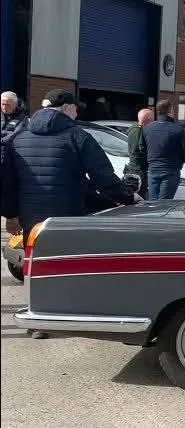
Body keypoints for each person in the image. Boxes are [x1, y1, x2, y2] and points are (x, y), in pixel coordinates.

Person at [1, 90, 139, 338]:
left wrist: (10, 215)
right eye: (76, 108)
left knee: (34, 267)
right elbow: (103, 178)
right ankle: (69, 313)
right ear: (66, 108)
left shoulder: (18, 138)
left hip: (32, 218)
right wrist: (130, 197)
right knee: (67, 266)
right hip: (68, 215)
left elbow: (8, 183)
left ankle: (39, 321)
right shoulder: (78, 136)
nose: (77, 113)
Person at [142, 99, 185, 200]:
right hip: (170, 170)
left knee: (152, 203)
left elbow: (142, 148)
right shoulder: (177, 129)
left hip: (152, 170)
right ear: (170, 111)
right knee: (164, 204)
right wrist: (181, 161)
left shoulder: (147, 128)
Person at [1, 91, 29, 236]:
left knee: (9, 195)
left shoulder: (22, 119)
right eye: (2, 104)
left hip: (10, 163)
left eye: (8, 104)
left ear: (15, 104)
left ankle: (14, 231)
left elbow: (15, 137)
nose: (4, 107)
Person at [124, 108, 154, 198]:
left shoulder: (134, 129)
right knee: (138, 197)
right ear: (149, 120)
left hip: (135, 168)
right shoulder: (139, 131)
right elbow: (139, 151)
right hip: (138, 170)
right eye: (152, 119)